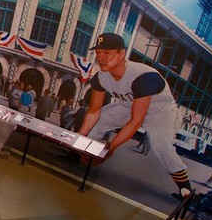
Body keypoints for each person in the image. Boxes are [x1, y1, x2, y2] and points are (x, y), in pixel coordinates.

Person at [77, 32, 192, 200]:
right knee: (100, 120)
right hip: (127, 105)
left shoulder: (143, 76)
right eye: (98, 52)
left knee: (161, 147)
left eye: (106, 52)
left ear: (121, 53)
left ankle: (185, 189)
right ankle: (85, 153)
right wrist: (79, 137)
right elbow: (95, 110)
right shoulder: (101, 76)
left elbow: (136, 121)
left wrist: (111, 148)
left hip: (160, 112)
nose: (100, 57)